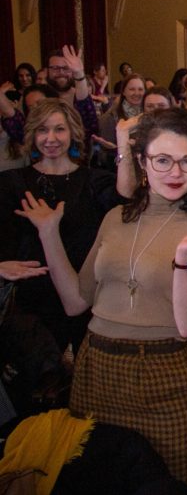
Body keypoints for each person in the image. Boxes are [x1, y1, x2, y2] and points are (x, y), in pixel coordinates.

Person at [14, 108, 187, 491]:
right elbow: (75, 302)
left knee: (176, 483)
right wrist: (48, 233)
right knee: (98, 482)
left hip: (165, 373)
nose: (175, 172)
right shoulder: (116, 218)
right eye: (163, 160)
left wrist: (182, 260)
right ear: (142, 162)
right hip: (97, 370)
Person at [0, 99, 122, 353]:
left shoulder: (97, 181)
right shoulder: (10, 183)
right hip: (29, 301)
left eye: (59, 129)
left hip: (86, 294)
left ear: (73, 133)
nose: (51, 138)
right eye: (43, 130)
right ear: (32, 134)